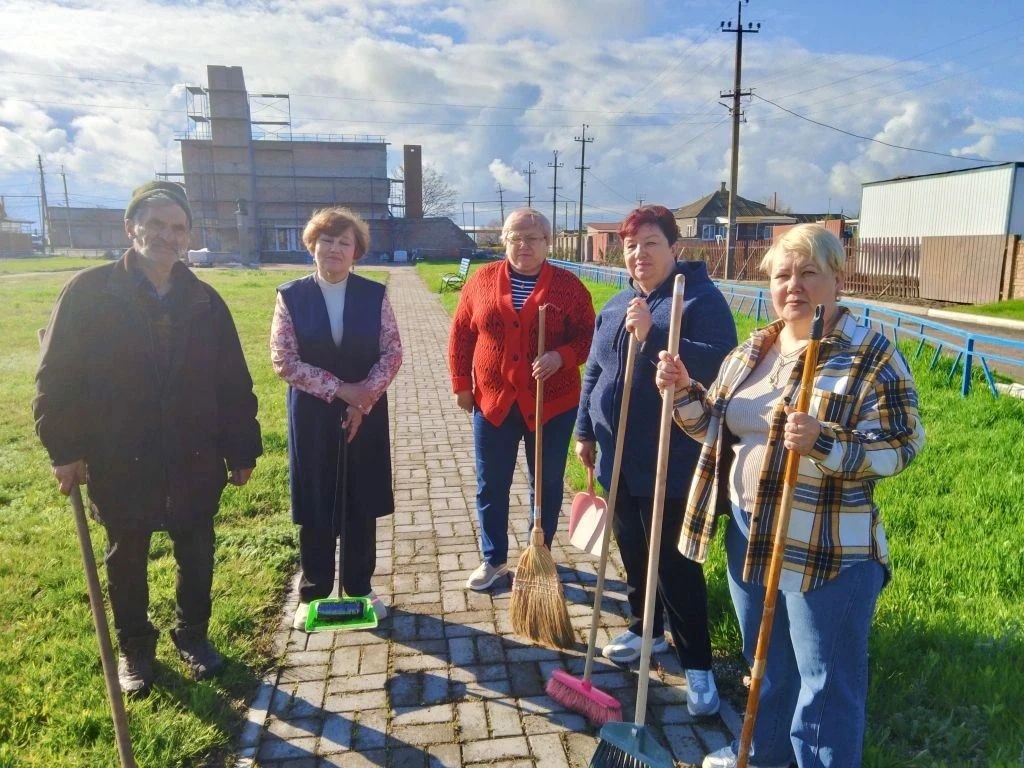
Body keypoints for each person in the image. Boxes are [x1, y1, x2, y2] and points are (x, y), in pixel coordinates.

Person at [655, 224, 925, 768]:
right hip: (747, 529)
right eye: (783, 275)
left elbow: (903, 444)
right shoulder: (753, 349)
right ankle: (763, 752)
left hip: (827, 546)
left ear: (837, 280)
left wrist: (825, 441)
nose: (793, 285)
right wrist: (683, 391)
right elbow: (713, 428)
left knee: (825, 681)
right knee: (767, 661)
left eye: (808, 273)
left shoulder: (869, 355)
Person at [34, 180, 263, 697]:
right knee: (127, 556)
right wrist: (64, 449)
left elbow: (232, 381)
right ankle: (136, 649)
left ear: (188, 237)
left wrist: (241, 446)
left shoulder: (205, 300)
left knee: (197, 551)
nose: (166, 236)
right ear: (130, 228)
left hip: (193, 452)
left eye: (177, 227)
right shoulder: (89, 292)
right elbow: (56, 378)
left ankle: (193, 635)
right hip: (120, 453)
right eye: (155, 224)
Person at [575, 205, 736, 715]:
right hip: (617, 456)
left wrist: (652, 337)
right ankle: (645, 630)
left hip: (671, 459)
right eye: (631, 246)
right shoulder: (618, 302)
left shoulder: (700, 300)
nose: (639, 254)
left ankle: (698, 665)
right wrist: (584, 430)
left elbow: (720, 361)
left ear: (674, 248)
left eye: (651, 243)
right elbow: (595, 371)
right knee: (632, 550)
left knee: (674, 563)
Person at [449, 208, 595, 591]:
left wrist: (561, 356)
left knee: (545, 483)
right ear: (504, 241)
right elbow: (461, 333)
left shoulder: (568, 287)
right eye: (515, 237)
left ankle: (538, 555)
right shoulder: (482, 280)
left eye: (532, 238)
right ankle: (494, 559)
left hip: (552, 405)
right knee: (491, 483)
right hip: (493, 403)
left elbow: (588, 337)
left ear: (548, 243)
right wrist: (462, 384)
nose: (523, 245)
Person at [271, 207, 402, 630]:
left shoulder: (374, 295)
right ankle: (314, 592)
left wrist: (362, 400)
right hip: (313, 415)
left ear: (355, 252)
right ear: (312, 246)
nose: (334, 249)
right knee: (316, 500)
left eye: (344, 242)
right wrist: (342, 390)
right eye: (326, 240)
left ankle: (360, 587)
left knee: (361, 499)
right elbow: (283, 359)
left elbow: (392, 351)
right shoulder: (291, 296)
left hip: (367, 411)